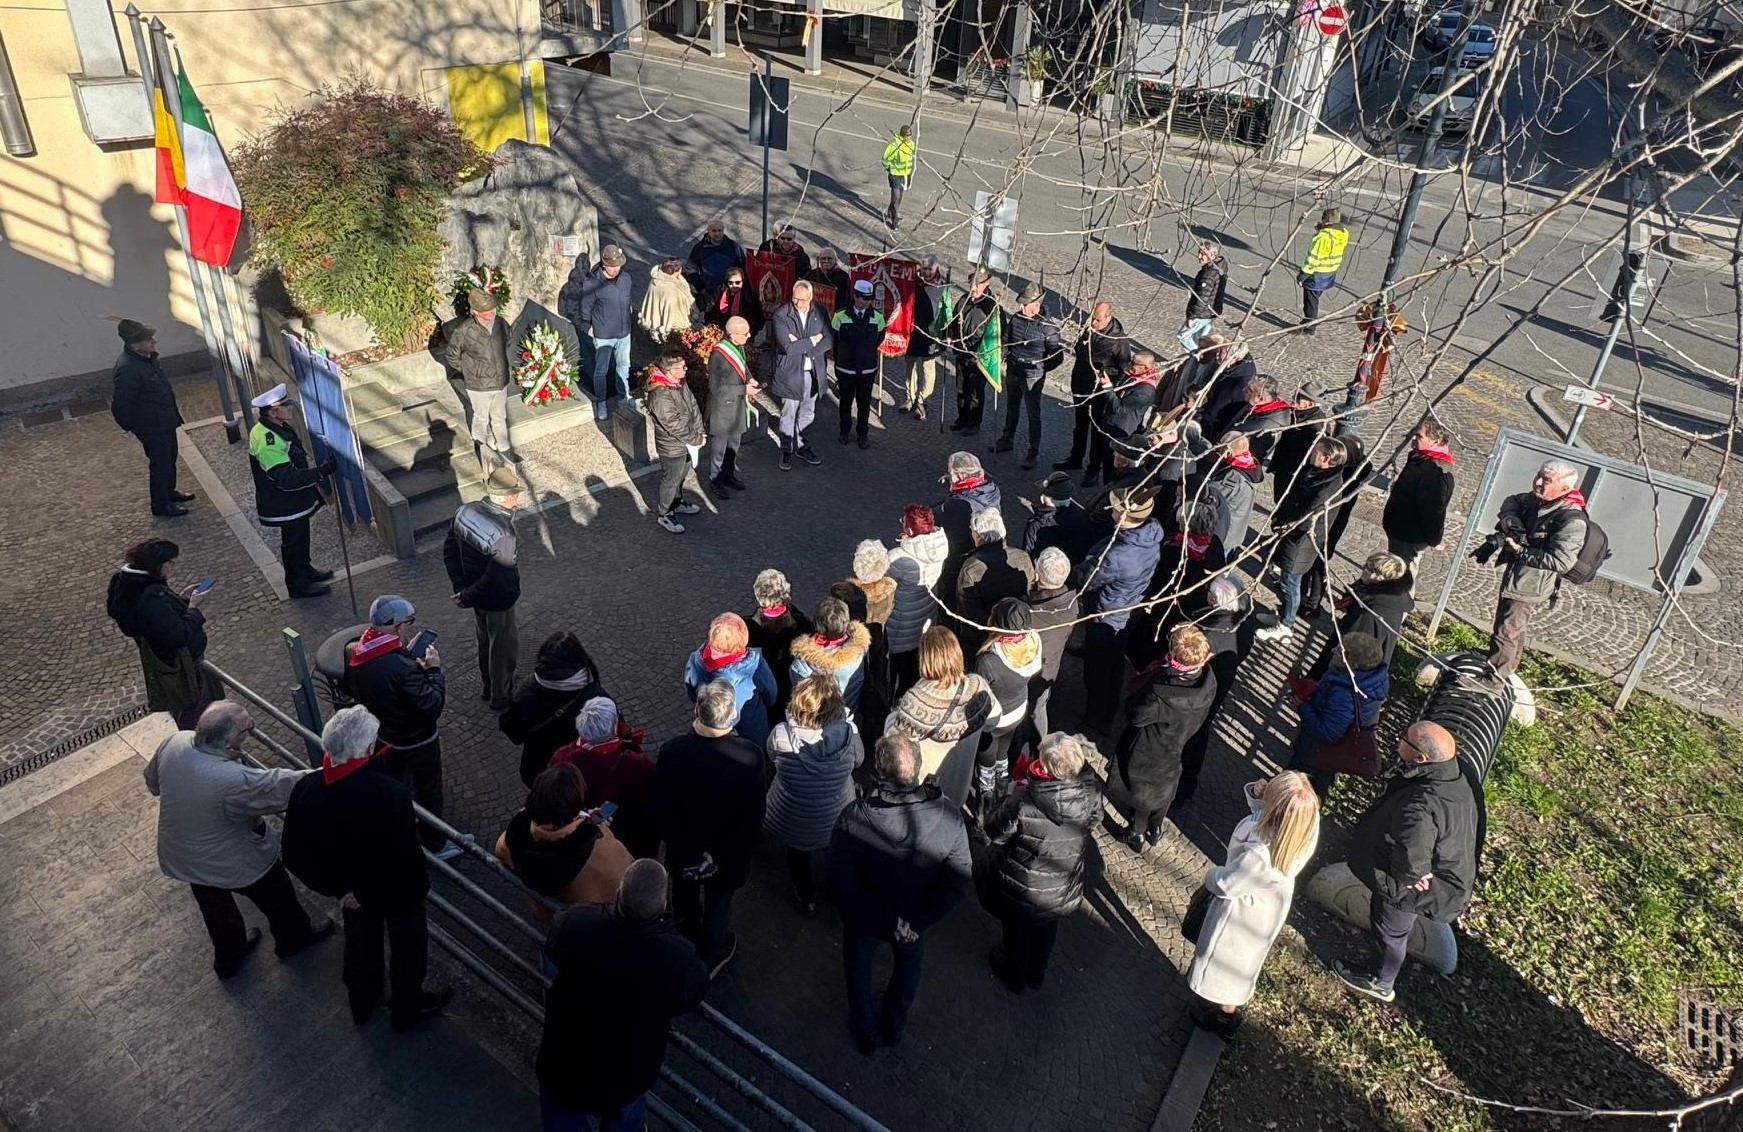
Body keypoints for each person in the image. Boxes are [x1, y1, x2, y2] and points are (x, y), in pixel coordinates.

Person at [281, 706, 452, 1030]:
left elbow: (294, 853)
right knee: (408, 948)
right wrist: (363, 892)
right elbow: (401, 855)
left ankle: (362, 1000)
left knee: (360, 945)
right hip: (398, 894)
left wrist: (342, 891)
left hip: (351, 896)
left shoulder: (307, 789)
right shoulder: (390, 794)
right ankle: (406, 1007)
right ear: (367, 750)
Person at [143, 701, 332, 977]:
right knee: (275, 889)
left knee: (214, 908)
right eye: (249, 728)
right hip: (231, 858)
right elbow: (284, 786)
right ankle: (294, 938)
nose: (250, 731)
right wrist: (333, 772)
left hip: (182, 854)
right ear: (231, 740)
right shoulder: (232, 778)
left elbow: (152, 781)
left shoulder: (175, 741)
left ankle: (229, 957)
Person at [539, 860, 710, 1131]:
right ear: (663, 906)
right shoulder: (678, 960)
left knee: (562, 1119)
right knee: (624, 1121)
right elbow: (691, 993)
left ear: (618, 893)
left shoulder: (576, 922)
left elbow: (554, 947)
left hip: (565, 1058)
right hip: (627, 1071)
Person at [829, 733, 973, 1054]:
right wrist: (914, 921)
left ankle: (865, 1031)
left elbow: (840, 882)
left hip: (866, 918)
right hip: (913, 920)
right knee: (909, 966)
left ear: (879, 772)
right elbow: (957, 880)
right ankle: (894, 1024)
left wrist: (881, 919)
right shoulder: (949, 817)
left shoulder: (855, 817)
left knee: (858, 965)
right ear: (918, 771)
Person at [1334, 722, 1478, 1003]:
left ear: (1421, 758)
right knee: (1394, 926)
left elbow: (1410, 866)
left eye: (1403, 739)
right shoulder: (1454, 775)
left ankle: (1380, 980)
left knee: (1390, 929)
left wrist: (1414, 874)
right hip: (1449, 871)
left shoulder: (1419, 806)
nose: (1396, 739)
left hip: (1415, 888)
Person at [1187, 771, 1321, 1035]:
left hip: (1241, 914)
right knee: (1244, 962)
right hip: (1267, 908)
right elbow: (1270, 820)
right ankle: (1225, 1011)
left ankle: (1224, 1017)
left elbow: (1229, 884)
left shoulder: (1260, 856)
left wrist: (1211, 876)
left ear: (1277, 809)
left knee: (1226, 966)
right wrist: (1264, 798)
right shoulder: (1304, 823)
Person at [653, 680, 768, 976]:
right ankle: (711, 953)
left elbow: (664, 810)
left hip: (685, 851)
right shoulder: (751, 756)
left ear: (697, 712)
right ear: (732, 716)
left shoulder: (672, 751)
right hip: (726, 855)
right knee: (719, 903)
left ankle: (685, 935)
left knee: (684, 896)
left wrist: (688, 849)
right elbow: (753, 816)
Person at [980, 732, 1102, 992]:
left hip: (1024, 882)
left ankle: (1014, 976)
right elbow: (1094, 819)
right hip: (1063, 879)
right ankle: (1036, 974)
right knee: (1047, 926)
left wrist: (1009, 797)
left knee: (1017, 931)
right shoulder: (1090, 790)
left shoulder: (1026, 799)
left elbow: (996, 830)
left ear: (1045, 766)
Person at [342, 595, 456, 857]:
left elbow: (351, 686)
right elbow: (432, 705)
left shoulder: (355, 650)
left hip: (385, 735)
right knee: (428, 788)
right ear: (396, 626)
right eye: (407, 622)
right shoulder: (403, 669)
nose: (407, 627)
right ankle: (435, 842)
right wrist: (433, 671)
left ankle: (404, 821)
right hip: (418, 739)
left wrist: (404, 655)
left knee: (397, 782)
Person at [1481, 459, 1589, 684]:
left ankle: (1492, 682)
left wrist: (1521, 551)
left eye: (1547, 480)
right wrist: (1510, 520)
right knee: (1513, 629)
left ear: (1565, 489)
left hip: (1531, 584)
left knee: (1506, 630)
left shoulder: (1571, 520)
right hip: (1518, 577)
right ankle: (1506, 668)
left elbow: (1561, 561)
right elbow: (1512, 500)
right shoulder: (1536, 500)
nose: (1538, 482)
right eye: (1538, 476)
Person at [1112, 624, 1218, 850]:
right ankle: (1156, 826)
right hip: (1180, 744)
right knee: (1167, 786)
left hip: (1151, 748)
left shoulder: (1160, 695)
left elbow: (1135, 715)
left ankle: (1137, 832)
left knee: (1143, 793)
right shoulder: (1209, 681)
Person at [766, 675, 865, 915]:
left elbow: (771, 757)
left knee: (797, 856)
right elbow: (859, 761)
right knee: (835, 852)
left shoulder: (781, 736)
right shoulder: (848, 738)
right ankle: (838, 890)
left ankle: (806, 896)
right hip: (834, 815)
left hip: (793, 817)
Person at [494, 763, 633, 922]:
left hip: (547, 913)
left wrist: (582, 818)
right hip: (587, 921)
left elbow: (501, 851)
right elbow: (623, 881)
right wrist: (591, 823)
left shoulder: (515, 835)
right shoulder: (598, 845)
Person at [1074, 489, 1163, 733]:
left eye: (1115, 507)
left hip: (1108, 614)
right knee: (1112, 660)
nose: (1110, 509)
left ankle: (1096, 718)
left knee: (1098, 670)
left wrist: (1084, 564)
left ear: (1124, 517)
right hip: (1128, 607)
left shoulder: (1118, 556)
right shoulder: (1150, 533)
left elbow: (1087, 577)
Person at [107, 538, 221, 729]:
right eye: (170, 562)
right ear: (158, 565)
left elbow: (157, 620)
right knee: (197, 707)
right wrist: (193, 608)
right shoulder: (152, 596)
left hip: (162, 658)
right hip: (182, 663)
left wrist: (180, 599)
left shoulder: (126, 583)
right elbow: (179, 635)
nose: (171, 567)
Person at [248, 383, 338, 598]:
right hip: (284, 502)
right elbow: (286, 478)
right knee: (293, 542)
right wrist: (321, 472)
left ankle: (305, 570)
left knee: (300, 537)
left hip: (293, 501)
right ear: (273, 412)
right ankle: (298, 585)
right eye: (285, 405)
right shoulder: (268, 441)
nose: (290, 407)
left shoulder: (274, 427)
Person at [1255, 437, 1349, 643]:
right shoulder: (1318, 473)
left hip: (1300, 542)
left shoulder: (1326, 487)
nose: (1311, 453)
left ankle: (1286, 625)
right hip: (1293, 538)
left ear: (1326, 458)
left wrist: (1284, 527)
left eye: (1316, 451)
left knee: (1290, 583)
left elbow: (1307, 518)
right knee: (1286, 581)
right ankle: (1282, 615)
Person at [548, 697, 659, 859]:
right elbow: (652, 786)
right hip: (627, 830)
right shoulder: (633, 763)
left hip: (582, 832)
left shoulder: (562, 756)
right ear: (613, 727)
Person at [500, 632, 607, 789]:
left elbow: (513, 730)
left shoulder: (526, 691)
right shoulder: (595, 698)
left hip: (538, 769)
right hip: (578, 774)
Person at [442, 499, 520, 710]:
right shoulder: (504, 533)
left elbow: (449, 549)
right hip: (498, 601)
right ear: (507, 497)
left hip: (477, 597)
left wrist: (462, 589)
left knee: (485, 641)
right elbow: (496, 578)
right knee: (501, 648)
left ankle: (488, 686)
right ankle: (501, 695)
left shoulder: (465, 511)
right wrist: (466, 595)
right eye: (515, 493)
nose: (518, 499)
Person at [110, 318, 193, 517]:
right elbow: (121, 403)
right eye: (149, 341)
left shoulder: (147, 359)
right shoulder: (128, 368)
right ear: (136, 345)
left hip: (163, 420)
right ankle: (160, 504)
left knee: (169, 458)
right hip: (151, 426)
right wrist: (133, 425)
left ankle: (169, 492)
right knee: (160, 463)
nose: (154, 343)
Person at [1291, 632, 1388, 794]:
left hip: (1317, 752)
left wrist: (1303, 706)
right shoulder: (1363, 678)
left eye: (1338, 651)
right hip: (1330, 753)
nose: (1332, 651)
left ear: (1350, 663)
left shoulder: (1344, 693)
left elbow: (1328, 733)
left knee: (1298, 786)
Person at [443, 288, 518, 489]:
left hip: (500, 380)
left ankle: (504, 449)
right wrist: (469, 371)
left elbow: (507, 341)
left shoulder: (501, 324)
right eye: (486, 311)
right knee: (481, 418)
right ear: (475, 312)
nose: (491, 313)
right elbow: (451, 356)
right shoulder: (464, 331)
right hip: (478, 386)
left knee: (500, 416)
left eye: (492, 309)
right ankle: (483, 450)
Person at [972, 599, 1043, 807]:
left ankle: (985, 808)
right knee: (1003, 754)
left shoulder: (989, 660)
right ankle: (1003, 795)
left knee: (987, 762)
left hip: (994, 720)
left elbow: (978, 692)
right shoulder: (1033, 643)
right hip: (1017, 711)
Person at [993, 282, 1065, 470]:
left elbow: (1057, 357)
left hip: (1033, 375)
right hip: (1013, 370)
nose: (1021, 307)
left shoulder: (1048, 328)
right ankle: (1007, 438)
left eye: (1025, 304)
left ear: (1036, 305)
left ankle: (1033, 451)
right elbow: (1006, 340)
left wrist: (1040, 367)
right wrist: (1002, 355)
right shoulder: (1016, 318)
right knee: (1011, 407)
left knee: (1034, 414)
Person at [1308, 553, 1415, 677]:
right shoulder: (1391, 595)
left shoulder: (1371, 613)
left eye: (1367, 568)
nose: (1363, 568)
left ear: (1379, 577)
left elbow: (1353, 648)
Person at [684, 612, 779, 749]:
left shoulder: (696, 660)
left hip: (711, 726)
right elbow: (771, 694)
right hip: (750, 729)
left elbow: (692, 691)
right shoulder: (755, 666)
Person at [1058, 301, 1131, 476]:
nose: (1093, 323)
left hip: (1099, 392)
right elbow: (1078, 349)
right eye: (1092, 319)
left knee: (1097, 431)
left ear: (1108, 317)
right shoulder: (1089, 330)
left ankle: (1093, 468)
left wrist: (1109, 385)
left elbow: (1124, 369)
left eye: (1097, 320)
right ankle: (1075, 458)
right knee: (1080, 425)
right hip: (1081, 384)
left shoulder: (1118, 340)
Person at [885, 503, 950, 696]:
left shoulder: (899, 558)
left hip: (901, 624)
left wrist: (903, 544)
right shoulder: (938, 548)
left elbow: (884, 584)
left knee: (893, 672)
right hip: (925, 616)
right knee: (912, 670)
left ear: (911, 529)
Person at [954, 507, 1036, 656]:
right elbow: (1029, 593)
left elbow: (968, 614)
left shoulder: (970, 569)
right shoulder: (1022, 557)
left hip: (986, 639)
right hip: (1018, 630)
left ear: (978, 537)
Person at [1382, 419, 1456, 579]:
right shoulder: (1420, 457)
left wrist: (1434, 540)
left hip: (1410, 535)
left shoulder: (1436, 471)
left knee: (1402, 576)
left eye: (1419, 436)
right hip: (1400, 529)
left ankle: (1396, 603)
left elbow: (1434, 510)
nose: (1414, 440)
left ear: (1436, 441)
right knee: (1394, 571)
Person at [644, 351, 707, 534]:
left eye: (684, 366)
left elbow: (692, 404)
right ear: (669, 370)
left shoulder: (679, 383)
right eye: (680, 368)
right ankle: (665, 513)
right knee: (671, 479)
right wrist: (696, 439)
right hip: (672, 446)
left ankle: (677, 502)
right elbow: (673, 424)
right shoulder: (660, 396)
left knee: (681, 475)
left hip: (687, 440)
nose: (684, 371)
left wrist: (699, 429)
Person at [772, 280, 832, 470]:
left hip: (813, 372)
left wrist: (805, 347)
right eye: (795, 299)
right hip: (790, 372)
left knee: (808, 412)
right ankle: (786, 449)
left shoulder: (820, 312)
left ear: (811, 297)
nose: (798, 304)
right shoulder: (781, 314)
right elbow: (788, 347)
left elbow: (829, 338)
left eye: (803, 300)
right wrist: (814, 339)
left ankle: (799, 443)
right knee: (788, 413)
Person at [1022, 546, 1078, 746]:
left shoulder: (1030, 612)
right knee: (1040, 705)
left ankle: (1036, 746)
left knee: (1033, 711)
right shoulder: (1071, 604)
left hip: (1029, 670)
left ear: (1037, 574)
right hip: (1050, 668)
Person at [933, 451, 1002, 605]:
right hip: (987, 548)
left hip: (961, 556)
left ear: (959, 476)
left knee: (952, 596)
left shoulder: (956, 506)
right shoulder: (992, 490)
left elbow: (935, 515)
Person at [744, 570, 813, 720]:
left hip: (760, 702)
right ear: (786, 597)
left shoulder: (746, 631)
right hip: (793, 700)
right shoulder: (802, 625)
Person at [789, 596, 873, 715]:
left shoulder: (801, 663)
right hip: (850, 716)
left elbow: (801, 700)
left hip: (817, 723)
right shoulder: (859, 651)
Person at [829, 279, 886, 450]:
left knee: (864, 403)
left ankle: (863, 433)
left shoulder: (877, 317)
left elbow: (879, 338)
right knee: (845, 402)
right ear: (854, 296)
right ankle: (844, 430)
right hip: (845, 368)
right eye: (862, 298)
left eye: (868, 299)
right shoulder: (840, 315)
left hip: (867, 369)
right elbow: (835, 340)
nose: (865, 302)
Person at [575, 244, 636, 403]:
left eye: (618, 265)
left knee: (623, 366)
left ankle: (624, 395)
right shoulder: (592, 284)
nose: (616, 269)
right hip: (604, 335)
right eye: (612, 266)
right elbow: (585, 309)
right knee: (600, 371)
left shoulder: (626, 278)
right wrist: (595, 324)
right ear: (604, 264)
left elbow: (627, 299)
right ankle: (601, 401)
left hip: (624, 333)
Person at [706, 315, 759, 495]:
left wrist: (750, 380)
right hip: (722, 410)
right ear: (733, 334)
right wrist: (744, 389)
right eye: (745, 333)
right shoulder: (718, 355)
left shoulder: (738, 347)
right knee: (719, 449)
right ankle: (715, 480)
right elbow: (716, 388)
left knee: (733, 445)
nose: (749, 335)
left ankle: (728, 475)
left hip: (736, 408)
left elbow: (743, 368)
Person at [948, 268, 999, 436]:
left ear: (986, 285)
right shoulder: (964, 301)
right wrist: (949, 336)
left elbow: (998, 334)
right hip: (962, 352)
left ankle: (974, 422)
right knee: (961, 389)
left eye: (978, 285)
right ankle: (962, 418)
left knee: (976, 392)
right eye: (972, 284)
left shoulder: (992, 307)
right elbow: (954, 322)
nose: (974, 288)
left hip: (979, 357)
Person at [1198, 431, 1264, 554]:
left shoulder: (1232, 479)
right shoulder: (1250, 463)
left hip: (1224, 533)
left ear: (1228, 451)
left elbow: (1210, 495)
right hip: (1236, 530)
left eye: (1220, 446)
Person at [903, 256, 946, 418]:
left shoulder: (942, 286)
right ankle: (910, 397)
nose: (926, 272)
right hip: (912, 331)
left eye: (930, 269)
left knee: (928, 370)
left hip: (931, 334)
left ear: (936, 269)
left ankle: (922, 400)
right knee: (910, 367)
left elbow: (945, 313)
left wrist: (944, 335)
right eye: (924, 269)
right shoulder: (913, 282)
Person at [1298, 207, 1350, 330]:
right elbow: (1331, 245)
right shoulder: (1343, 232)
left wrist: (1303, 274)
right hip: (1330, 271)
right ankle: (1308, 321)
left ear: (1325, 219)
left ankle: (1310, 327)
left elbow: (1314, 258)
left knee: (1311, 302)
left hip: (1316, 274)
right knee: (1315, 298)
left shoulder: (1322, 237)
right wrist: (1322, 229)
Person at [1180, 240, 1229, 352]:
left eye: (1203, 253)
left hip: (1202, 313)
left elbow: (1202, 298)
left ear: (1212, 255)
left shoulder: (1208, 274)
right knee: (1200, 340)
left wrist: (1191, 316)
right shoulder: (1220, 267)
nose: (1199, 256)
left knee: (1183, 336)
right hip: (1212, 311)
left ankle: (1198, 358)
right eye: (1199, 252)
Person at [638, 257, 700, 341]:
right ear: (677, 271)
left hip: (657, 326)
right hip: (672, 330)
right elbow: (678, 314)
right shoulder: (672, 290)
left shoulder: (656, 280)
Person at [704, 265, 765, 339]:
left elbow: (757, 318)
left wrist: (748, 333)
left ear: (743, 282)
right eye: (731, 282)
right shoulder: (721, 291)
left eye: (737, 282)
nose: (734, 285)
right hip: (721, 331)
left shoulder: (749, 296)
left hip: (741, 334)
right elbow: (711, 310)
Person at [687, 220, 745, 292]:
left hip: (729, 291)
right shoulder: (699, 248)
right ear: (708, 231)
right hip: (707, 292)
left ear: (723, 230)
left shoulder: (734, 247)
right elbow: (691, 267)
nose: (717, 233)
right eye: (713, 231)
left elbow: (743, 268)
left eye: (719, 230)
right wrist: (699, 287)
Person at [881, 123, 916, 226]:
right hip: (895, 174)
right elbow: (885, 159)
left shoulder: (911, 144)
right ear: (902, 135)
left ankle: (890, 212)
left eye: (910, 135)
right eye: (907, 135)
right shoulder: (895, 145)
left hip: (905, 175)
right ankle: (894, 221)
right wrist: (889, 168)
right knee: (896, 196)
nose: (909, 137)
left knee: (899, 197)